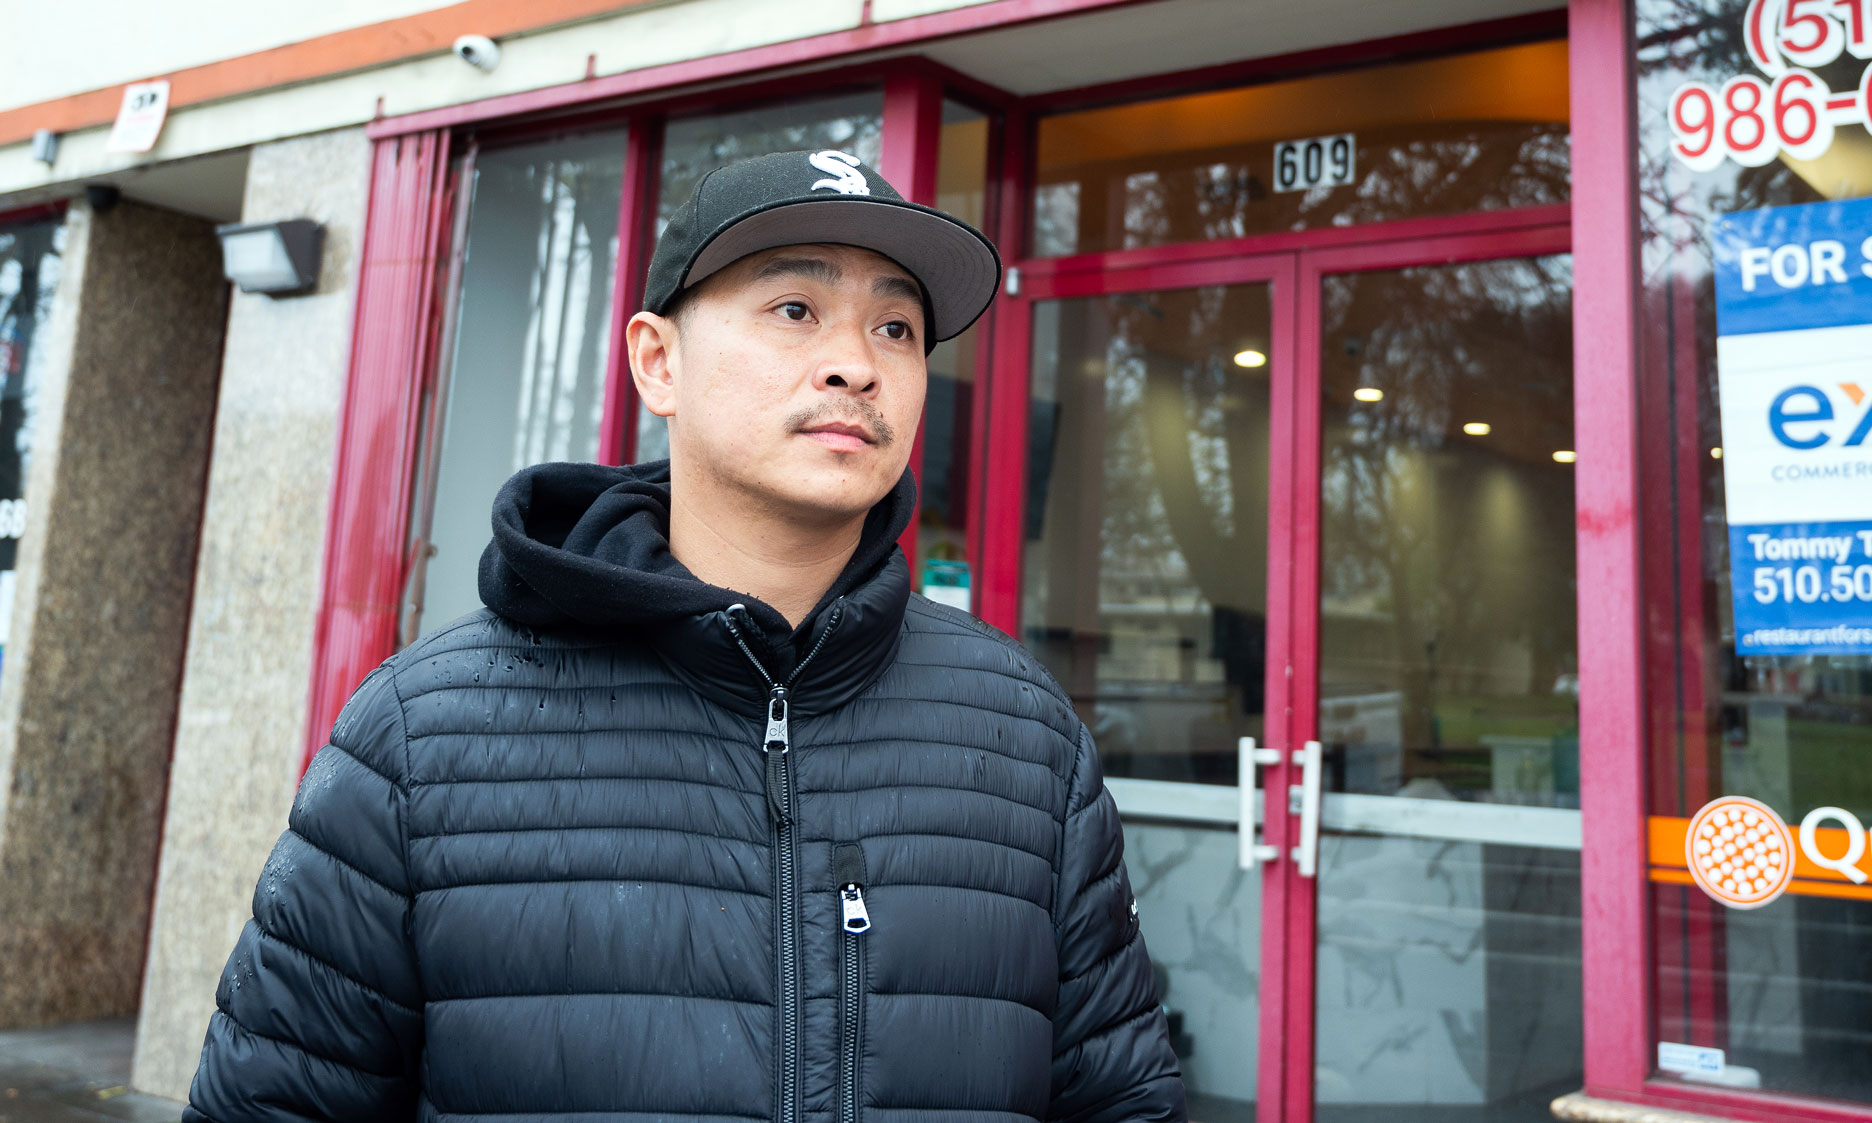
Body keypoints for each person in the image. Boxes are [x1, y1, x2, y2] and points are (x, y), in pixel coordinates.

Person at [182, 149, 1187, 1123]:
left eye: (894, 326)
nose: (855, 365)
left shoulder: (1020, 731)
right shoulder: (421, 736)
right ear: (657, 362)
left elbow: (1121, 1098)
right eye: (795, 310)